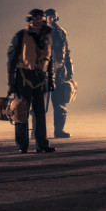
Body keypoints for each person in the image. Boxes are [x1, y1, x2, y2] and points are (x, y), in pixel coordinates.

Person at [6, 9, 56, 153]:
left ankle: (42, 144)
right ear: (30, 20)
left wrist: (51, 79)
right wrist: (11, 83)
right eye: (35, 18)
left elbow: (50, 60)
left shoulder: (47, 37)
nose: (38, 21)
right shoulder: (21, 36)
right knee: (21, 112)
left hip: (40, 78)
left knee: (40, 113)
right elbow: (12, 60)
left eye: (40, 18)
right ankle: (22, 145)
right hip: (24, 77)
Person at [43, 8, 74, 139]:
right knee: (40, 104)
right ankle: (37, 132)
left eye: (53, 17)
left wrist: (70, 69)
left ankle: (59, 131)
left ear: (57, 17)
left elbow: (66, 52)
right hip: (43, 73)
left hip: (59, 72)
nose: (51, 19)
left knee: (60, 103)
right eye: (49, 17)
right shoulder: (38, 32)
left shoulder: (61, 33)